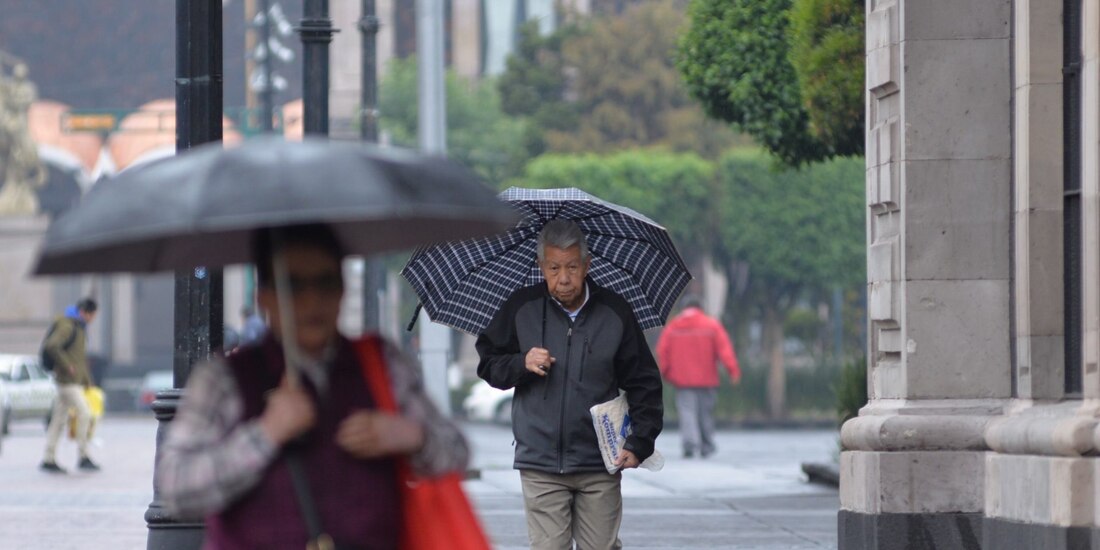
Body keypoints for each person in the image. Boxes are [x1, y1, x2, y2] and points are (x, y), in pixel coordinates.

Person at [156, 224, 469, 549]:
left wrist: (410, 435)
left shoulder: (380, 363)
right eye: (293, 286)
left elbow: (456, 453)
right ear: (264, 296)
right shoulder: (225, 378)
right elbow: (178, 488)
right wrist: (265, 434)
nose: (312, 300)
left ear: (342, 289)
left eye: (326, 283)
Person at [476, 219, 663, 550]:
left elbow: (644, 381)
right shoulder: (522, 307)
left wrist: (639, 442)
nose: (563, 278)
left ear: (587, 265)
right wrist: (521, 362)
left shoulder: (614, 311)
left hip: (599, 461)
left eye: (572, 267)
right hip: (540, 461)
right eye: (554, 267)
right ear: (541, 266)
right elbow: (489, 364)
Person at [656, 296, 741, 459]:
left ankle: (690, 444)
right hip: (707, 379)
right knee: (705, 413)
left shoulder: (673, 327)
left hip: (683, 380)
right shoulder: (711, 325)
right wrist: (733, 371)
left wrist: (666, 373)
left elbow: (663, 351)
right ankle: (706, 444)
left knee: (687, 412)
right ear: (700, 308)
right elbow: (725, 350)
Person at [40, 297, 99, 473]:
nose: (92, 319)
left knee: (58, 421)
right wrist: (67, 366)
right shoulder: (68, 326)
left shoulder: (79, 328)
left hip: (71, 381)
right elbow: (52, 346)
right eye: (92, 315)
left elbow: (79, 359)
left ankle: (48, 458)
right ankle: (83, 456)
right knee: (84, 413)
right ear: (85, 312)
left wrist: (86, 380)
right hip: (67, 381)